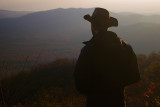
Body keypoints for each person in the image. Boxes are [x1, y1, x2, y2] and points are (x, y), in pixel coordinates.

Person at [74, 8, 141, 107]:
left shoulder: (88, 50)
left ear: (93, 25)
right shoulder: (125, 47)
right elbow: (135, 76)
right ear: (108, 26)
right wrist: (116, 84)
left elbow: (80, 84)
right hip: (119, 102)